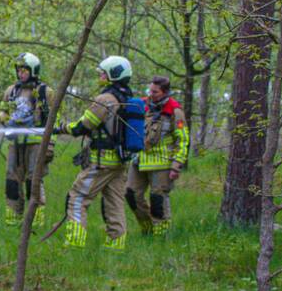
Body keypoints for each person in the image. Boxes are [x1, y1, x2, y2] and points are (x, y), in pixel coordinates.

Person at [54, 55, 134, 250]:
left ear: (114, 74)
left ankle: (74, 243)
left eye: (103, 73)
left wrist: (62, 127)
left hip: (101, 162)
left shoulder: (105, 99)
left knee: (77, 198)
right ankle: (116, 246)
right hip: (120, 162)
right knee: (115, 203)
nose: (100, 76)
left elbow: (83, 126)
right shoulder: (127, 99)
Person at [126, 75, 189, 236]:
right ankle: (147, 230)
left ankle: (160, 236)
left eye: (155, 92)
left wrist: (176, 165)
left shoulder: (175, 111)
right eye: (150, 90)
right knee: (131, 195)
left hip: (162, 164)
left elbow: (182, 140)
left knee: (158, 201)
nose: (151, 94)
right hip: (139, 161)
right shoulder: (142, 105)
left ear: (165, 92)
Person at [0, 52, 54, 228]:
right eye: (19, 70)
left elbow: (54, 121)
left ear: (33, 70)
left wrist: (50, 146)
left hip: (36, 144)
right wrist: (3, 117)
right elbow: (3, 110)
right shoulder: (11, 91)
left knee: (33, 180)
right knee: (11, 180)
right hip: (15, 143)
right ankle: (13, 219)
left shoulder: (45, 92)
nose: (21, 74)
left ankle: (35, 221)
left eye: (24, 70)